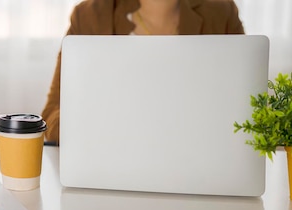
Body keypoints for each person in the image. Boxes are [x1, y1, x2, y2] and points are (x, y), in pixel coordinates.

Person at [41, 0, 245, 143]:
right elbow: (52, 115)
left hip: (199, 168)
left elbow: (246, 110)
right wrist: (99, 125)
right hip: (114, 168)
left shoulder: (222, 13)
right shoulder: (89, 16)